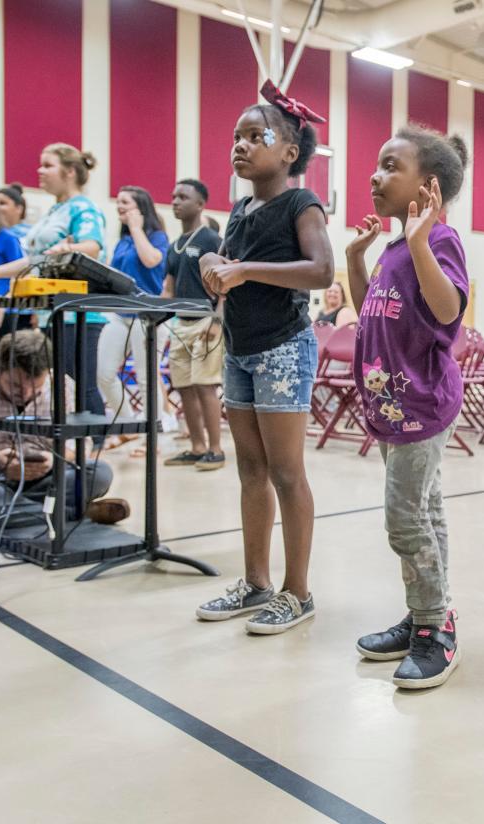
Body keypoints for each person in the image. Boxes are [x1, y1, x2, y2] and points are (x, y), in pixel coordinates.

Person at [195, 80, 333, 634]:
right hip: (240, 351)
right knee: (250, 469)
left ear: (289, 152)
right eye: (238, 136)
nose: (242, 145)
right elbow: (228, 269)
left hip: (283, 349)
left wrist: (246, 270)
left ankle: (297, 592)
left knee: (285, 471)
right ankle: (255, 583)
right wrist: (213, 260)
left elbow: (321, 271)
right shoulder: (240, 209)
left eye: (257, 136)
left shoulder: (302, 204)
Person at [346, 125, 470, 689]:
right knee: (427, 510)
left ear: (430, 187)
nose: (376, 175)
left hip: (421, 403)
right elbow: (370, 305)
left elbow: (447, 312)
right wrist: (355, 257)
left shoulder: (437, 242)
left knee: (405, 520)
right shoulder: (395, 248)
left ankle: (434, 630)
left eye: (392, 166)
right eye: (378, 164)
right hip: (395, 408)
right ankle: (428, 613)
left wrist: (421, 243)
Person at [0, 145, 108, 407]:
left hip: (78, 314)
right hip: (51, 313)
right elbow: (36, 259)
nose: (40, 170)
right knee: (60, 389)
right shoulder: (55, 211)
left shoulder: (83, 208)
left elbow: (92, 246)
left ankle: (93, 447)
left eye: (48, 165)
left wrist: (67, 248)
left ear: (69, 171)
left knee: (80, 388)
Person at [0, 331, 128, 524]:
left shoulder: (61, 385)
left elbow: (79, 440)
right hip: (0, 478)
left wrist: (55, 458)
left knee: (99, 472)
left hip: (49, 477)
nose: (24, 394)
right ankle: (74, 514)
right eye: (14, 385)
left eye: (34, 388)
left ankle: (14, 515)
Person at [96, 186, 170, 447]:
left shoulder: (158, 236)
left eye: (125, 202)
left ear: (141, 207)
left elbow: (151, 261)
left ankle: (151, 439)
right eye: (117, 201)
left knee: (146, 378)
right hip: (120, 314)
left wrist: (137, 228)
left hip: (148, 315)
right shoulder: (122, 240)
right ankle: (127, 424)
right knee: (104, 374)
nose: (119, 206)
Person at [162, 179, 225, 471]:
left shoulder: (210, 239)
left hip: (205, 321)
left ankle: (215, 448)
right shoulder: (173, 246)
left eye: (182, 197)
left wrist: (217, 320)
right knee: (185, 386)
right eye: (173, 196)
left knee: (205, 385)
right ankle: (196, 446)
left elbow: (225, 284)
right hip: (180, 324)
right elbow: (170, 286)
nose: (175, 201)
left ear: (199, 204)